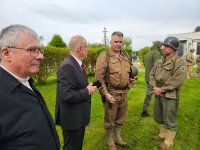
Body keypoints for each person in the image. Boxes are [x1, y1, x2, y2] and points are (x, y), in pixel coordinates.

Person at [0, 24, 60, 150]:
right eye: (32, 50)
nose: (40, 57)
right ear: (6, 53)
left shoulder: (25, 80)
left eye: (39, 50)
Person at [95, 31, 136, 150]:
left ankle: (117, 137)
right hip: (111, 93)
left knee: (121, 118)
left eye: (120, 42)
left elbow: (129, 72)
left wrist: (131, 79)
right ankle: (110, 140)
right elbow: (99, 78)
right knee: (110, 119)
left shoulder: (126, 55)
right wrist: (105, 93)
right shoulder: (105, 55)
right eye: (116, 42)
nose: (118, 44)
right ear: (111, 42)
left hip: (124, 93)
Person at [55, 35, 97, 150]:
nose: (88, 48)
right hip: (72, 119)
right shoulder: (68, 66)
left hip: (77, 116)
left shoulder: (75, 63)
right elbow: (66, 95)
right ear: (79, 49)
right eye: (86, 46)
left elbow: (75, 85)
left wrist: (87, 86)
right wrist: (87, 90)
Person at [150, 36, 186, 150]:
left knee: (169, 118)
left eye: (166, 46)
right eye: (163, 46)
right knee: (159, 115)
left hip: (170, 95)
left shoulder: (179, 62)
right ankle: (162, 134)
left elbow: (177, 80)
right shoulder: (160, 61)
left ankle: (169, 141)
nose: (163, 48)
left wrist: (162, 90)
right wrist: (155, 87)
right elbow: (151, 75)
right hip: (158, 93)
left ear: (173, 48)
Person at [141, 41, 162, 117]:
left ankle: (144, 111)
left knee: (149, 95)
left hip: (147, 77)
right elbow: (158, 67)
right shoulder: (157, 53)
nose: (162, 48)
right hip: (154, 79)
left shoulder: (148, 53)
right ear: (159, 46)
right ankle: (146, 112)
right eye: (161, 46)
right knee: (157, 94)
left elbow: (145, 64)